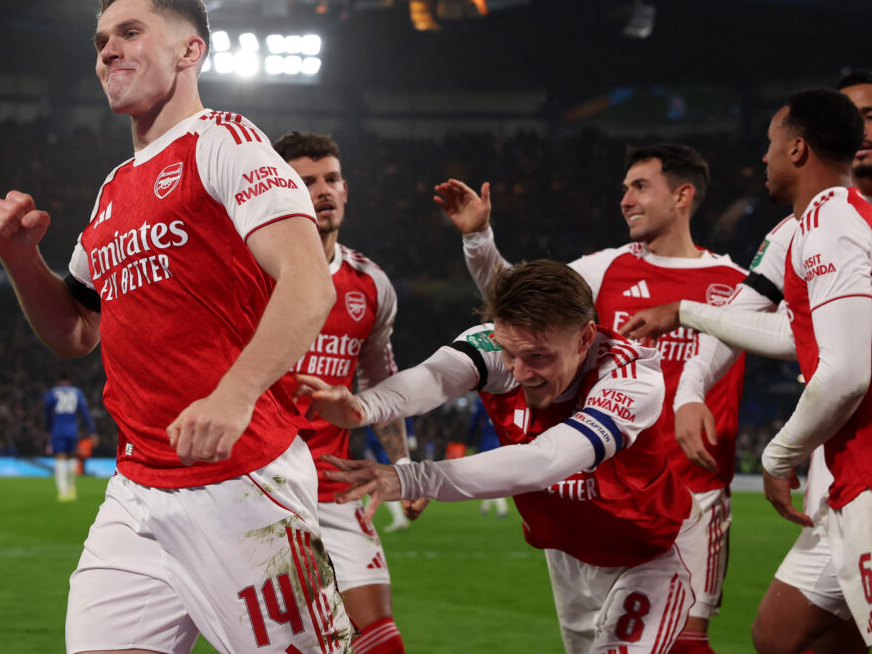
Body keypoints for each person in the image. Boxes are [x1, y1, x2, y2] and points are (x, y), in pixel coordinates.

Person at [0, 0, 351, 654]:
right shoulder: (113, 190)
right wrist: (18, 258)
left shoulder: (226, 141)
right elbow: (74, 330)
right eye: (99, 41)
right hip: (137, 492)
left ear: (190, 52)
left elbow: (309, 282)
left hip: (244, 482)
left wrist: (236, 392)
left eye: (129, 32)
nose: (106, 53)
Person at [621, 72, 872, 653]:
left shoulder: (836, 221)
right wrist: (690, 355)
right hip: (853, 457)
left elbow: (844, 369)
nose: (762, 159)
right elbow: (790, 331)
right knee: (783, 635)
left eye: (869, 114)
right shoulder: (809, 226)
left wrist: (778, 456)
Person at [297, 259, 700, 653]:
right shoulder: (503, 344)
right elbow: (435, 376)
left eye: (539, 356)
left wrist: (409, 478)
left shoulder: (631, 377)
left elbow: (545, 460)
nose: (520, 371)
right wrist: (362, 408)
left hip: (648, 553)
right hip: (566, 553)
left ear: (584, 338)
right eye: (510, 353)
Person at [435, 144, 745, 653]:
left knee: (686, 641)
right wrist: (478, 239)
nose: (625, 199)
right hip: (604, 498)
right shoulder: (605, 270)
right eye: (625, 187)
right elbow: (523, 303)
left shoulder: (735, 286)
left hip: (691, 495)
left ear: (683, 195)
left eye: (640, 186)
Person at [274, 130, 415, 654]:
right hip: (261, 484)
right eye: (306, 181)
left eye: (331, 178)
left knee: (381, 640)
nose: (323, 190)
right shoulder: (250, 273)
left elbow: (381, 382)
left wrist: (402, 463)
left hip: (335, 484)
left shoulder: (369, 283)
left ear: (346, 187)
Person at [43, 373, 96, 501]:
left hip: (58, 429)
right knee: (72, 456)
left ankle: (62, 491)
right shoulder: (77, 393)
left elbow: (47, 413)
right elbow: (85, 413)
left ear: (58, 381)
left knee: (60, 458)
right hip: (72, 430)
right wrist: (92, 431)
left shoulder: (51, 393)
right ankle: (72, 488)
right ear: (69, 381)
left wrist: (49, 428)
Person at [467, 397, 508, 518]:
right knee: (494, 478)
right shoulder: (503, 398)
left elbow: (473, 423)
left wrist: (469, 440)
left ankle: (502, 509)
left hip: (487, 443)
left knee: (491, 478)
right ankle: (485, 507)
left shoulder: (480, 401)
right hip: (501, 442)